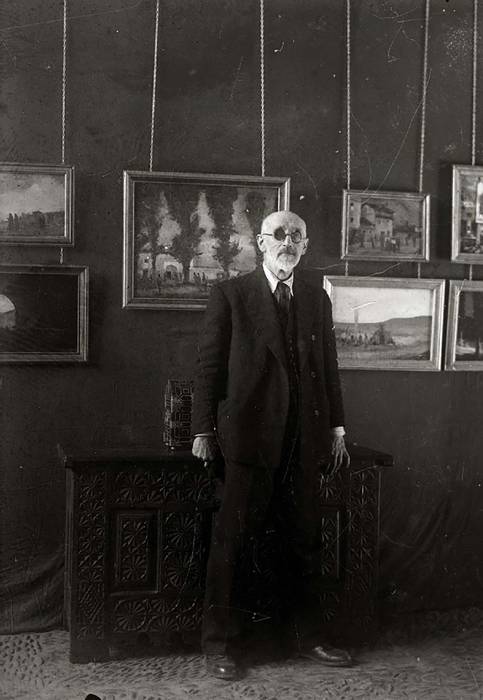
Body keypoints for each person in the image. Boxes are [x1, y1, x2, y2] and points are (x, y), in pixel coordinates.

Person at [192, 210, 352, 681]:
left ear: (305, 245)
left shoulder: (315, 298)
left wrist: (337, 430)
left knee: (305, 541)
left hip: (303, 441)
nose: (288, 242)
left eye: (296, 235)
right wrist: (202, 431)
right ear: (260, 243)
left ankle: (309, 637)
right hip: (247, 441)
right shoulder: (231, 294)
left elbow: (328, 367)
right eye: (278, 235)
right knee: (233, 544)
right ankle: (219, 646)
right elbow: (208, 368)